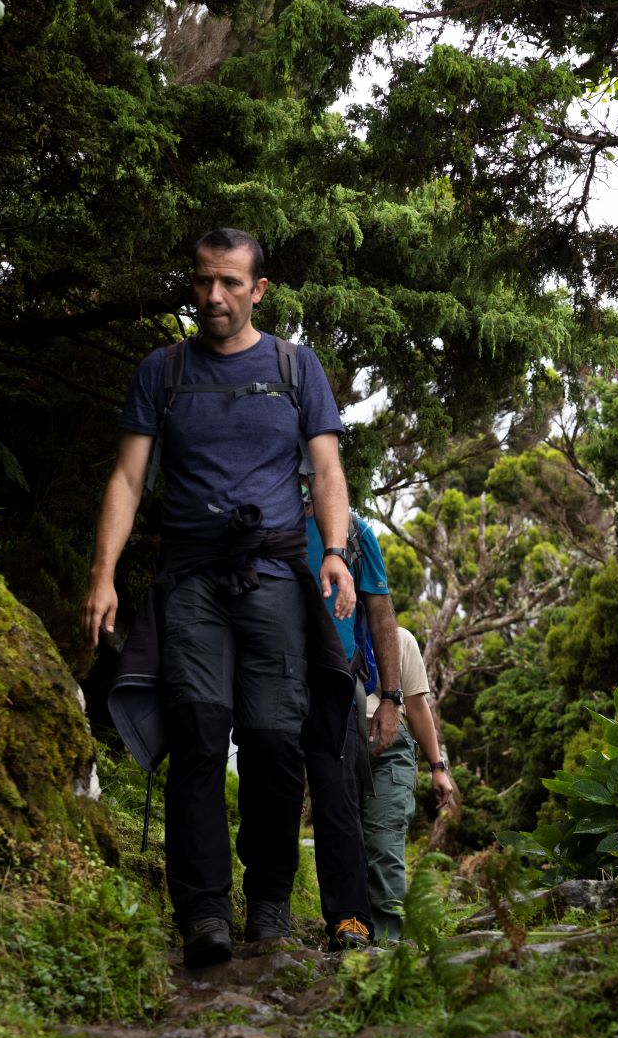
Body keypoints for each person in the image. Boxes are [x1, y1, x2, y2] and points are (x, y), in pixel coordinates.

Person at [83, 228, 359, 967]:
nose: (214, 296)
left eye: (231, 283)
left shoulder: (298, 369)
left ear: (259, 289)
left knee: (274, 738)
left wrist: (334, 553)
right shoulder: (163, 371)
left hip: (273, 577)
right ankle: (203, 911)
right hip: (191, 578)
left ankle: (269, 899)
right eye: (205, 281)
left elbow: (326, 472)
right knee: (199, 734)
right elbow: (129, 479)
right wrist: (103, 572)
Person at [303, 499, 401, 947]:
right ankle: (267, 911)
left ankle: (350, 918)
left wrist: (391, 700)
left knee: (340, 800)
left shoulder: (357, 535)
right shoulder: (269, 519)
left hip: (340, 680)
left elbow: (381, 614)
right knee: (269, 789)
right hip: (270, 673)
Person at [362, 625, 456, 942]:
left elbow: (416, 706)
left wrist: (437, 767)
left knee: (384, 840)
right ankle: (350, 929)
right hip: (339, 746)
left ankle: (388, 942)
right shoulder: (324, 632)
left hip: (390, 749)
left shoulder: (399, 638)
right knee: (344, 840)